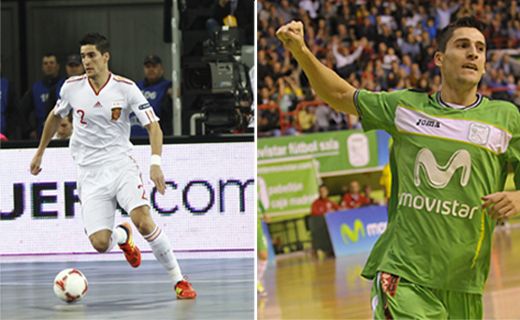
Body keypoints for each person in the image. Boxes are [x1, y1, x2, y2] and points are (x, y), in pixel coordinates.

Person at [277, 17, 520, 318]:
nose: (473, 53)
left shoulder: (506, 118)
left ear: (484, 64)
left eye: (480, 49)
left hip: (465, 282)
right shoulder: (405, 107)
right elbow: (340, 95)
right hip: (404, 273)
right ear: (439, 59)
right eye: (463, 45)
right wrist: (301, 51)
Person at [29, 33, 196, 299]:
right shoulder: (71, 87)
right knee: (100, 244)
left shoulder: (126, 88)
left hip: (120, 165)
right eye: (83, 56)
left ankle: (179, 280)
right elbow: (54, 116)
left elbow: (154, 126)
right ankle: (122, 236)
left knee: (143, 221)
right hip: (89, 172)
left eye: (92, 55)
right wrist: (40, 152)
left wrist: (155, 163)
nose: (87, 61)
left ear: (105, 57)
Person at [20, 53, 65, 139]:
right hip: (41, 134)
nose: (49, 66)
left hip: (62, 134)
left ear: (58, 66)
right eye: (45, 63)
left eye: (51, 63)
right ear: (42, 67)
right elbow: (22, 111)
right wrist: (29, 130)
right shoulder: (36, 88)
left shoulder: (65, 85)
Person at [131, 55, 172, 137]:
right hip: (132, 136)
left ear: (161, 69)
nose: (151, 69)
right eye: (148, 67)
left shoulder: (168, 86)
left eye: (154, 66)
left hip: (153, 137)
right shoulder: (136, 86)